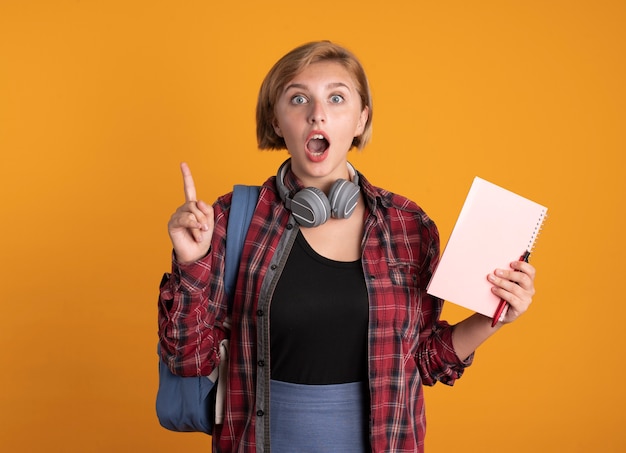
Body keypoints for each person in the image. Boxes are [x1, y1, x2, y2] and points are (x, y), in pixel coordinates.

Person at [158, 41, 536, 452]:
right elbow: (188, 360)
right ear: (276, 120)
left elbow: (423, 361)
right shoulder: (232, 219)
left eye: (336, 98)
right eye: (298, 98)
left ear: (360, 119)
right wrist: (190, 263)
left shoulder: (408, 226)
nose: (317, 113)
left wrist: (490, 317)